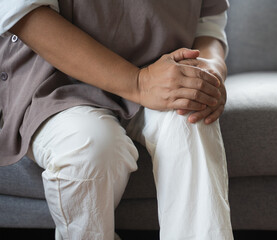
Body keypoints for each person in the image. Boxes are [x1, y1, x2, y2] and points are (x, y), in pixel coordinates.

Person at [0, 0, 233, 239]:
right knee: (90, 146)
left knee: (191, 121)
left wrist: (209, 73)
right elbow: (25, 15)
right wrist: (138, 83)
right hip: (57, 82)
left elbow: (208, 24)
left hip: (164, 71)